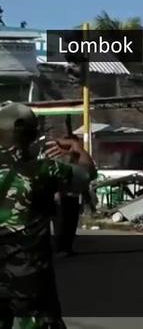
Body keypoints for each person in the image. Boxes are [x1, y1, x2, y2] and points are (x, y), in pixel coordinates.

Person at [0, 102, 96, 328]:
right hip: (29, 279)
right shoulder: (43, 170)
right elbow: (87, 174)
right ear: (32, 136)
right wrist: (77, 149)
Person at [53, 134, 85, 257]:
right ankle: (60, 248)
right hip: (62, 195)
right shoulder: (60, 158)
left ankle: (67, 247)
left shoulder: (76, 158)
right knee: (61, 223)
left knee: (71, 222)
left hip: (73, 194)